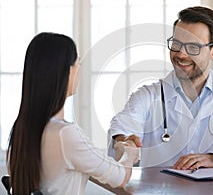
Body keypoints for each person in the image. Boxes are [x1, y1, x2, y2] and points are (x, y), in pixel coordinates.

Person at [108, 6, 213, 169]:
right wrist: (125, 142)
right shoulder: (148, 95)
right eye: (176, 44)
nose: (181, 54)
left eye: (193, 47)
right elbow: (123, 127)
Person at [7, 32, 139, 195]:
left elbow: (97, 165)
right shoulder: (65, 134)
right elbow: (120, 178)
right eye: (78, 62)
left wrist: (120, 152)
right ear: (66, 71)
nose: (80, 68)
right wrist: (130, 152)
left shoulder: (23, 126)